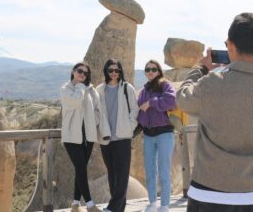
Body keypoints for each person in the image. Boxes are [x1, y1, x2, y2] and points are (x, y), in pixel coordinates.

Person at [176, 13, 253, 212]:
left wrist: (201, 68)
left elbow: (182, 98)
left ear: (230, 45)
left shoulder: (212, 84)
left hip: (209, 191)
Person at [96, 58, 139, 212]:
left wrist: (129, 126)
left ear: (120, 72)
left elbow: (135, 110)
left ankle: (113, 207)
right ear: (106, 71)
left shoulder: (128, 88)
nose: (114, 73)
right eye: (111, 70)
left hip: (123, 137)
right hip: (106, 138)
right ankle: (118, 209)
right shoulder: (99, 90)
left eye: (117, 70)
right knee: (112, 174)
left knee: (122, 174)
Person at [60, 62, 103, 212]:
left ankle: (75, 204)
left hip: (89, 135)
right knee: (81, 167)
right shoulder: (66, 89)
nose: (82, 75)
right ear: (73, 71)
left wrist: (94, 121)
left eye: (85, 74)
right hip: (71, 136)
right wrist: (80, 85)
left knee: (81, 169)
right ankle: (90, 204)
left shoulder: (91, 90)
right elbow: (76, 101)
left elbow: (98, 110)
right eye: (80, 71)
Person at [137, 59, 176, 212]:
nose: (150, 72)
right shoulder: (144, 90)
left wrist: (152, 103)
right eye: (147, 69)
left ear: (159, 71)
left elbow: (171, 101)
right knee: (150, 170)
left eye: (153, 69)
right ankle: (152, 202)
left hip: (164, 133)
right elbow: (140, 110)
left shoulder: (165, 85)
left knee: (164, 170)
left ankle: (165, 205)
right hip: (148, 135)